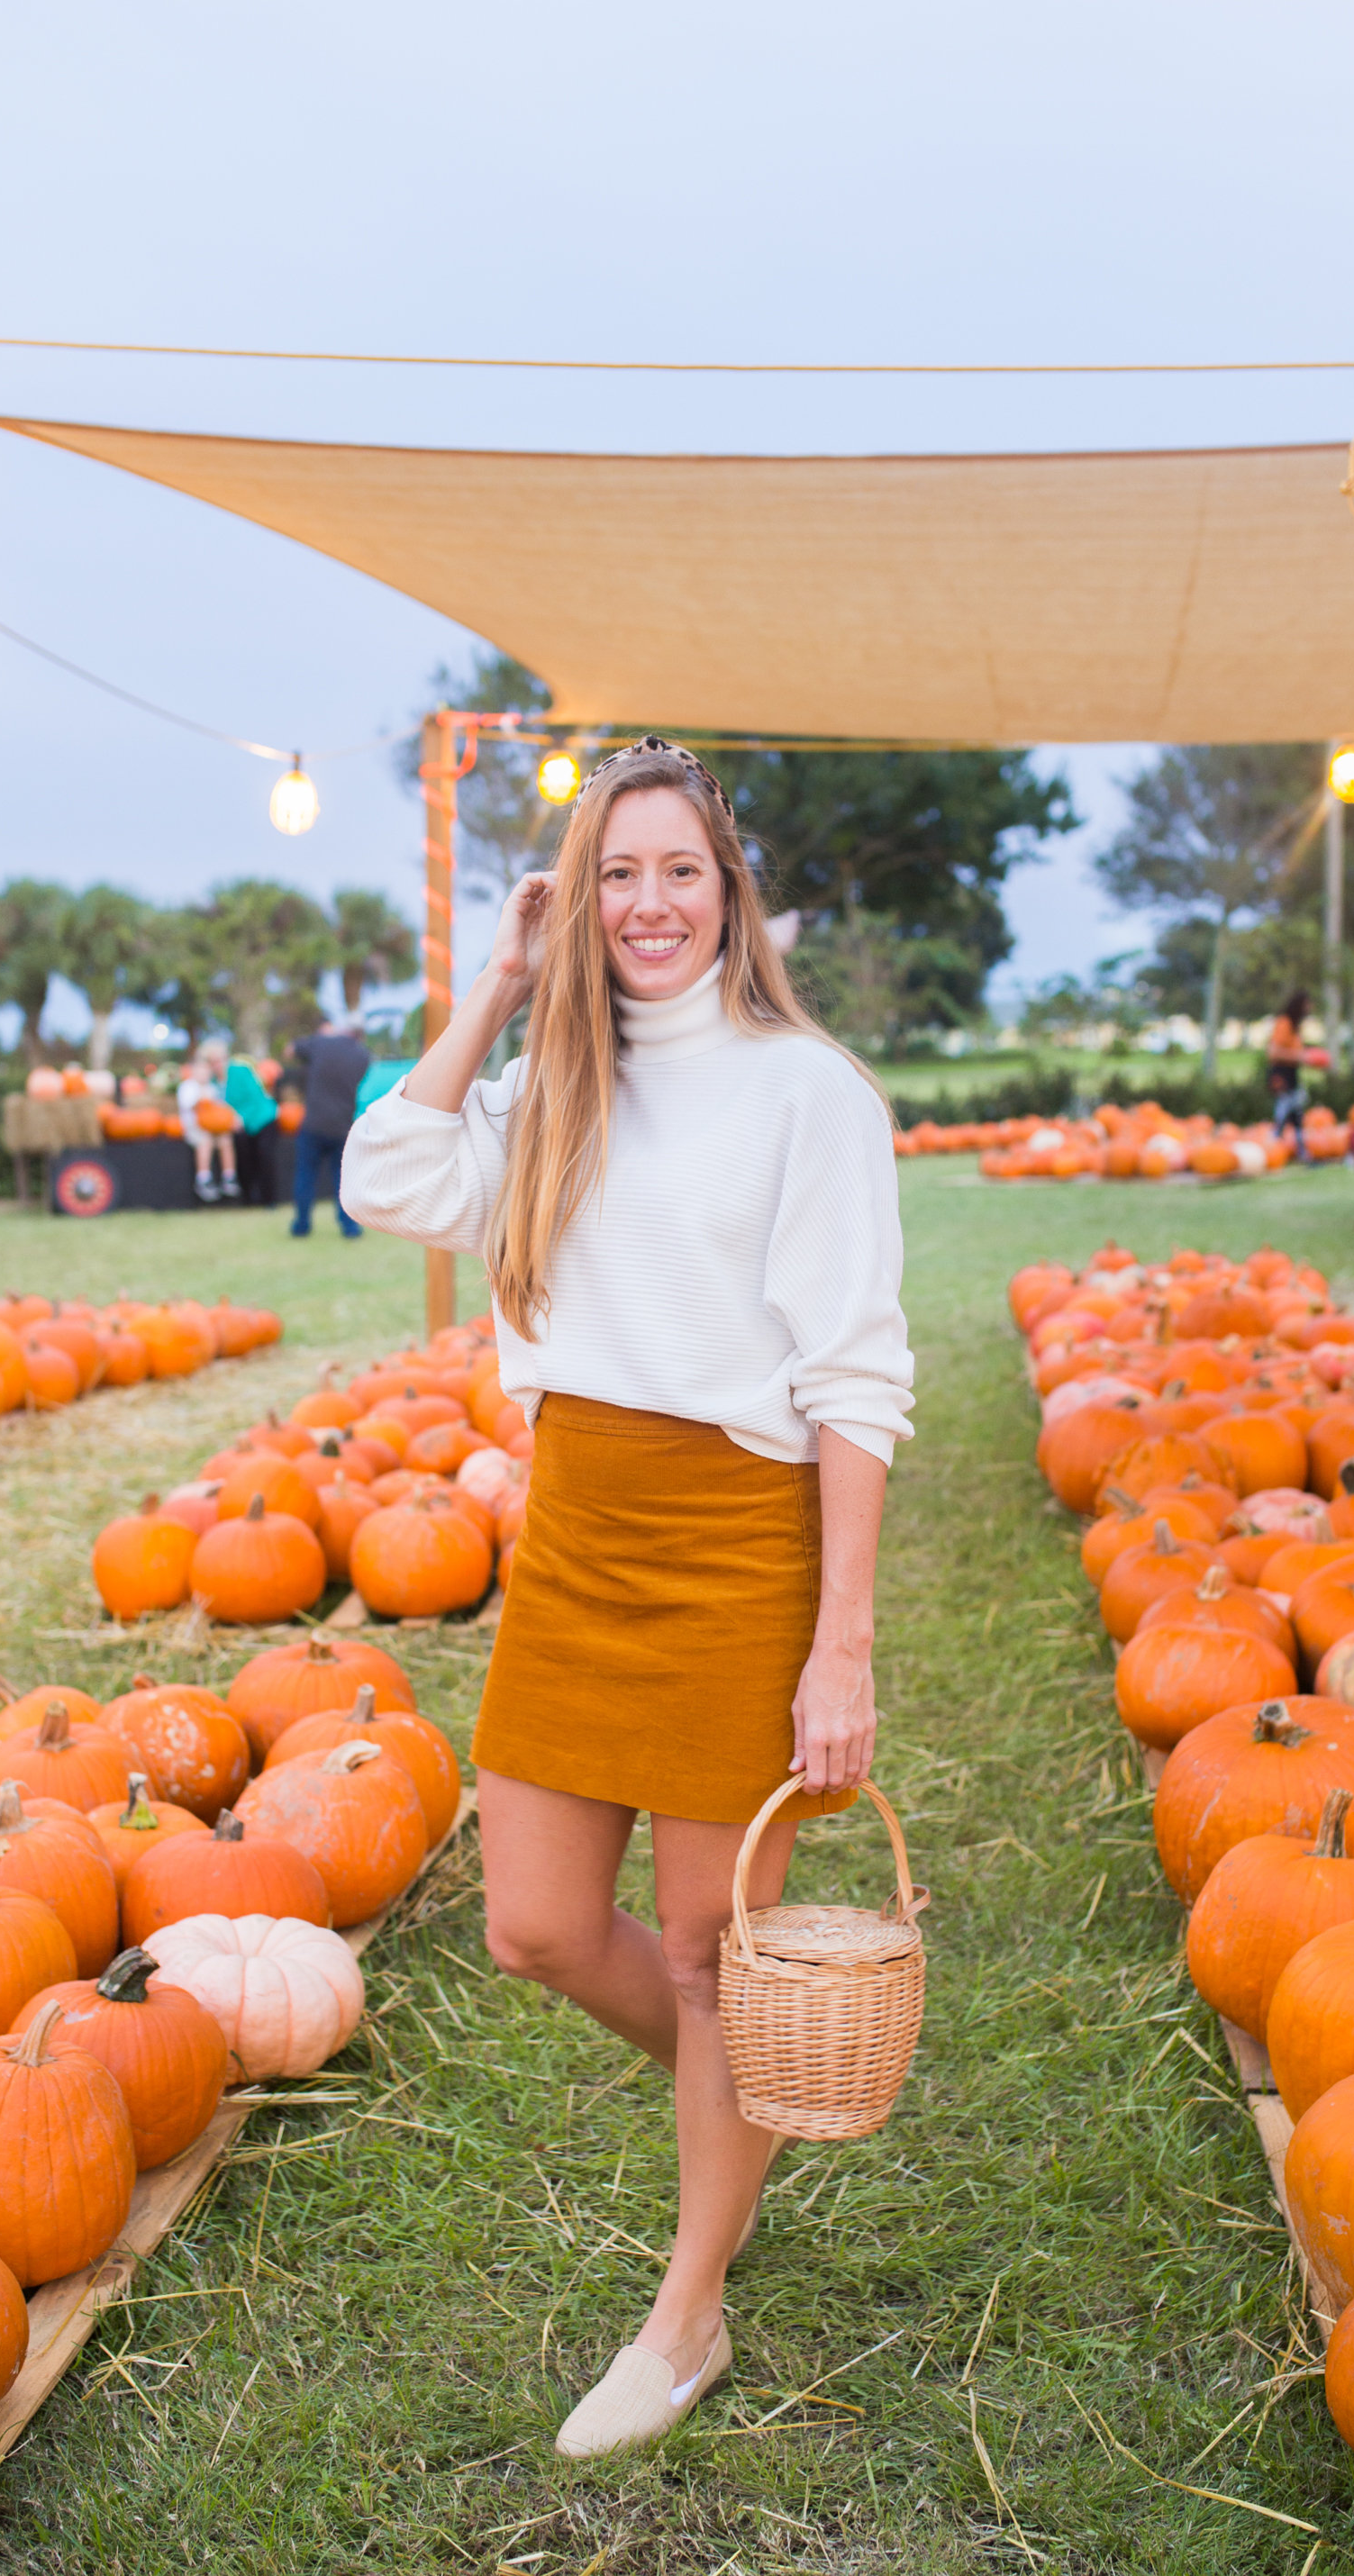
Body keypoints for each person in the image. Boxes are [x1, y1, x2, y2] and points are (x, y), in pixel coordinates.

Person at [341, 738, 913, 2458]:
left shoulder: (808, 1091)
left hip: (741, 1542)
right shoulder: (545, 1092)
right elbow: (386, 1176)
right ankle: (730, 2094)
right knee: (533, 1925)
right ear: (576, 904)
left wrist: (843, 1647)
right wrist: (501, 984)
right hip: (580, 1531)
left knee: (695, 1946)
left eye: (680, 871)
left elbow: (856, 1381)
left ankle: (688, 2316)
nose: (649, 904)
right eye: (615, 875)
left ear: (729, 893)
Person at [289, 1016, 369, 1237]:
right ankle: (350, 1227)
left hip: (314, 1123)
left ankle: (301, 1226)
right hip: (342, 1125)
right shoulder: (363, 1056)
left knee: (306, 1175)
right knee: (343, 1180)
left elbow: (291, 1050)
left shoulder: (323, 1042)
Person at [176, 1039, 239, 1202]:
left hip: (213, 1127)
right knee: (206, 1141)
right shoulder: (188, 1087)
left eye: (206, 1071)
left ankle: (229, 1177)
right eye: (200, 1071)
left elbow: (220, 1110)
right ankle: (203, 1179)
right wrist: (202, 1100)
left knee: (225, 1139)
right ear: (193, 1071)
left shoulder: (212, 1088)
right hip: (194, 1128)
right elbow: (190, 1105)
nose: (203, 1074)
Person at [223, 1050, 280, 1206]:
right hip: (239, 1124)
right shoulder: (211, 1081)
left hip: (262, 1118)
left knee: (264, 1156)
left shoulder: (237, 1070)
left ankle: (269, 1200)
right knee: (244, 1159)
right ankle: (248, 1199)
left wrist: (240, 1117)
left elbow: (255, 1096)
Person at [1267, 991, 1311, 1141]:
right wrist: (1298, 1056)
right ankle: (1274, 1141)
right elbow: (1273, 1051)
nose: (1309, 1009)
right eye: (1307, 1005)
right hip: (1281, 1073)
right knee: (1284, 1109)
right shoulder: (1284, 1023)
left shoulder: (1295, 1026)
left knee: (1297, 1109)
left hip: (1292, 1073)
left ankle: (1299, 1146)